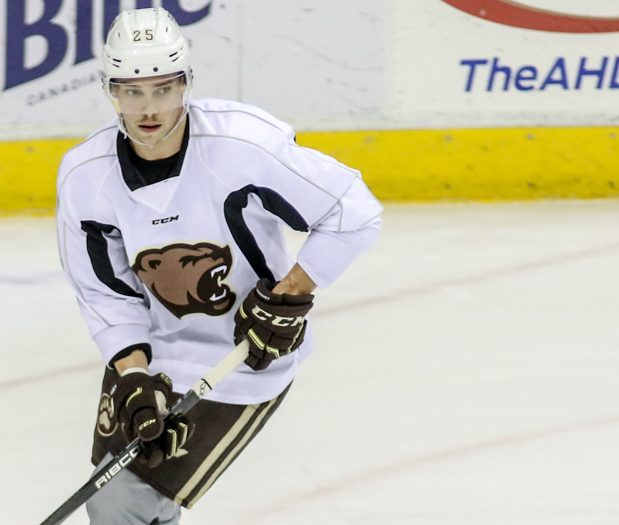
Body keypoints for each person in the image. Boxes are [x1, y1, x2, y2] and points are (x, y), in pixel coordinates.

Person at [55, 7, 383, 524]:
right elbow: (104, 291)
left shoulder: (241, 146)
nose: (148, 107)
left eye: (163, 89)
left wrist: (289, 297)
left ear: (186, 84)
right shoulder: (84, 177)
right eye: (131, 90)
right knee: (115, 501)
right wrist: (132, 375)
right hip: (152, 355)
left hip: (245, 356)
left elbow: (354, 210)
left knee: (131, 500)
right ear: (110, 91)